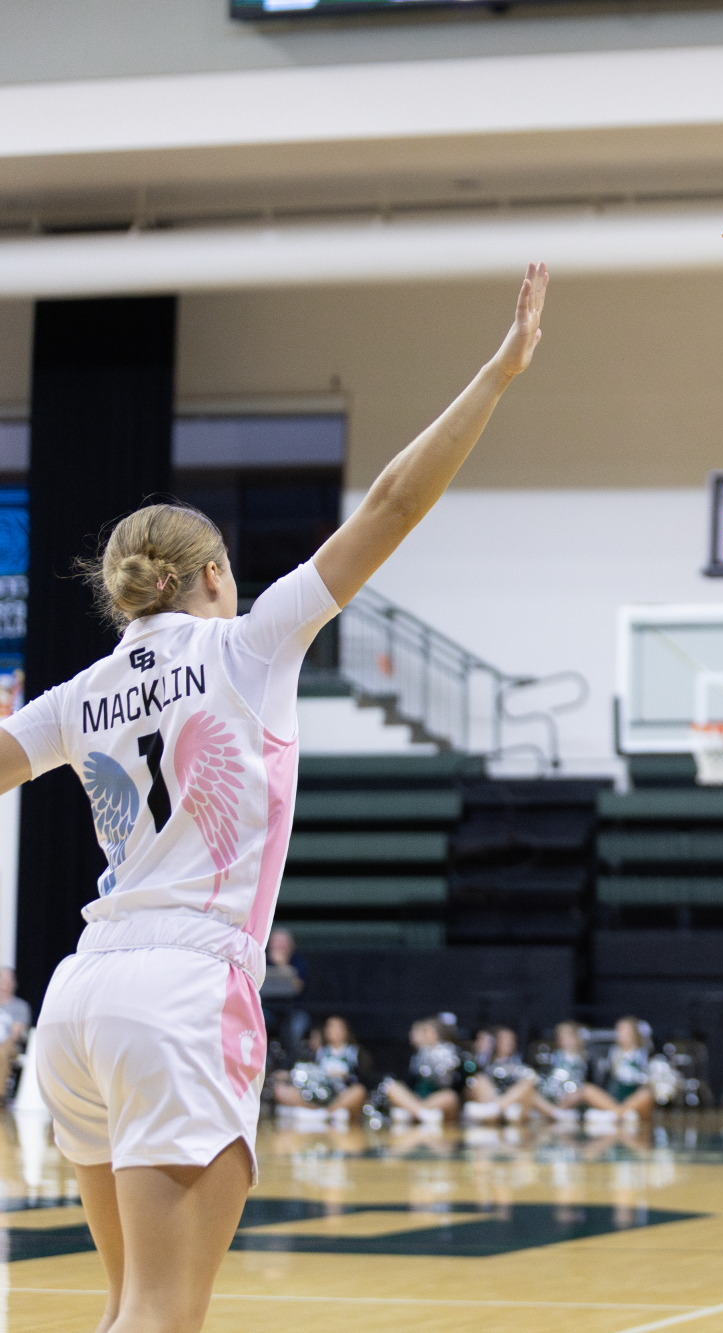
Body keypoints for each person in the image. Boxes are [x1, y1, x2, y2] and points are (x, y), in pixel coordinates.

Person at [0, 264, 545, 1333]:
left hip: (79, 993)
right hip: (182, 987)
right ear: (211, 576)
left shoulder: (79, 693)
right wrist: (495, 376)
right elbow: (391, 504)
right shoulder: (248, 644)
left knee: (123, 1309)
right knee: (163, 1316)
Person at [378, 1015, 471, 1126]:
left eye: (426, 1031)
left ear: (438, 1033)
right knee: (391, 1087)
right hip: (415, 1098)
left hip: (436, 1098)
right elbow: (405, 1083)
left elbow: (450, 1083)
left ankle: (414, 1113)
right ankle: (422, 1114)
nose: (422, 1035)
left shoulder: (450, 1053)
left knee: (449, 1097)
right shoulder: (413, 1056)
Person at [273, 1015, 369, 1120]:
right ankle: (317, 1112)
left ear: (345, 1031)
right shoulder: (321, 1052)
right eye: (329, 1027)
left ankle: (327, 1113)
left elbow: (361, 1075)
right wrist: (288, 1074)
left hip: (340, 1094)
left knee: (359, 1091)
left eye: (336, 1027)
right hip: (317, 1093)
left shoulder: (353, 1052)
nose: (331, 1030)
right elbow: (307, 1071)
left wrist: (342, 1075)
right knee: (281, 1090)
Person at [260, 928, 309, 1057]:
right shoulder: (261, 959)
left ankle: (290, 1065)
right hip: (268, 1009)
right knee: (257, 1024)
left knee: (295, 1029)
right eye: (275, 944)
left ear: (290, 945)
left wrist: (282, 965)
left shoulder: (298, 961)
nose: (279, 947)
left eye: (283, 944)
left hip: (293, 1010)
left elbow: (298, 986)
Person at [0, 966, 31, 1096]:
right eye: (3, 979)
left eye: (9, 979)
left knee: (2, 1052)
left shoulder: (20, 1006)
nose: (6, 983)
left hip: (10, 1045)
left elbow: (16, 1034)